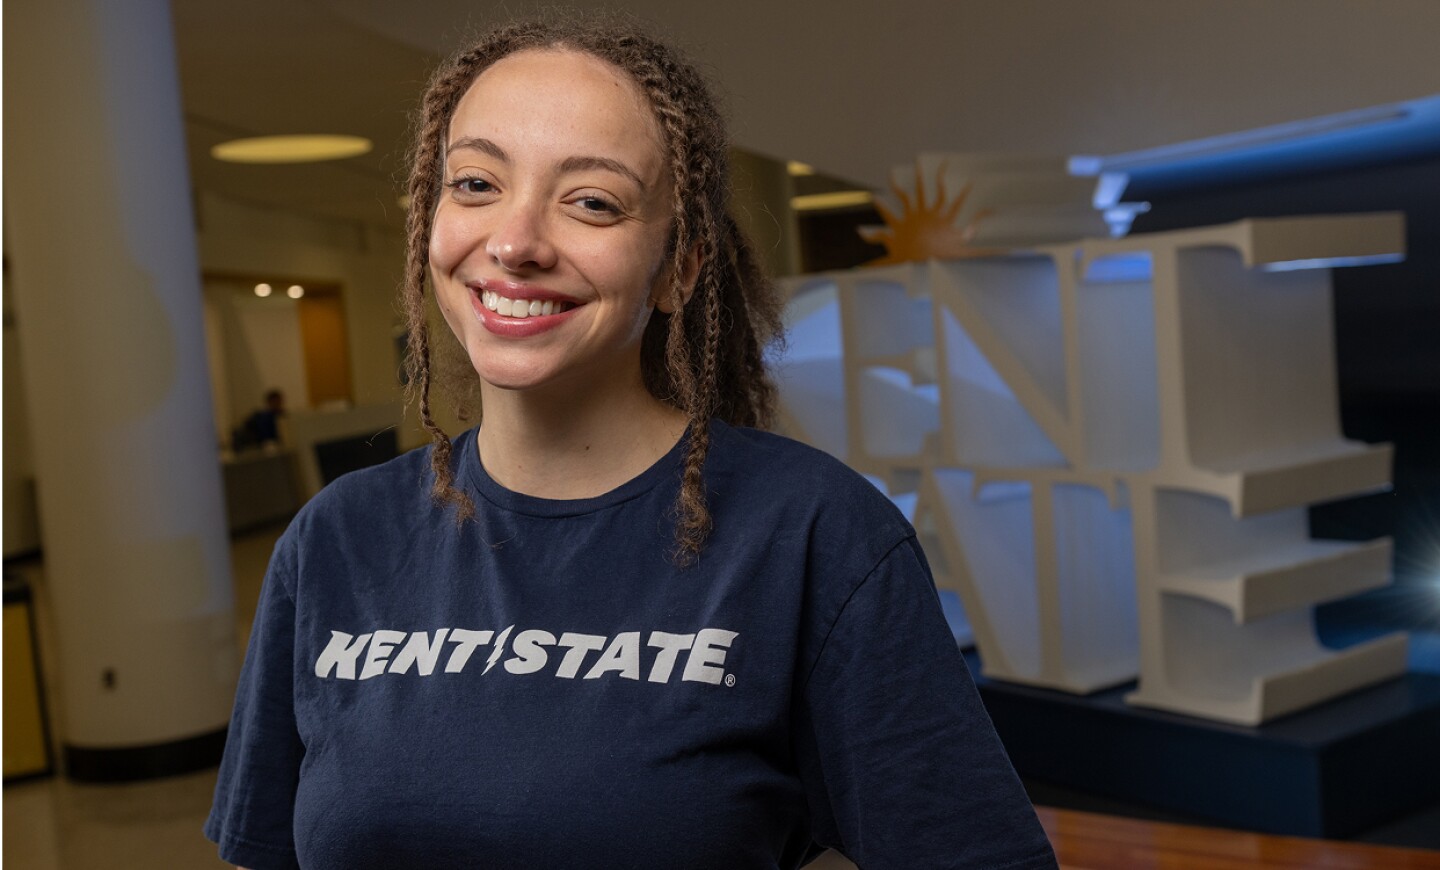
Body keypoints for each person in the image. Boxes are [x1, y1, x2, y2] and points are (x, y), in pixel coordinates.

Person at [205, 13, 1058, 870]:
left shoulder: (814, 535)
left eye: (592, 202)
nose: (515, 242)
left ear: (678, 269)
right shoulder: (337, 539)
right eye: (475, 183)